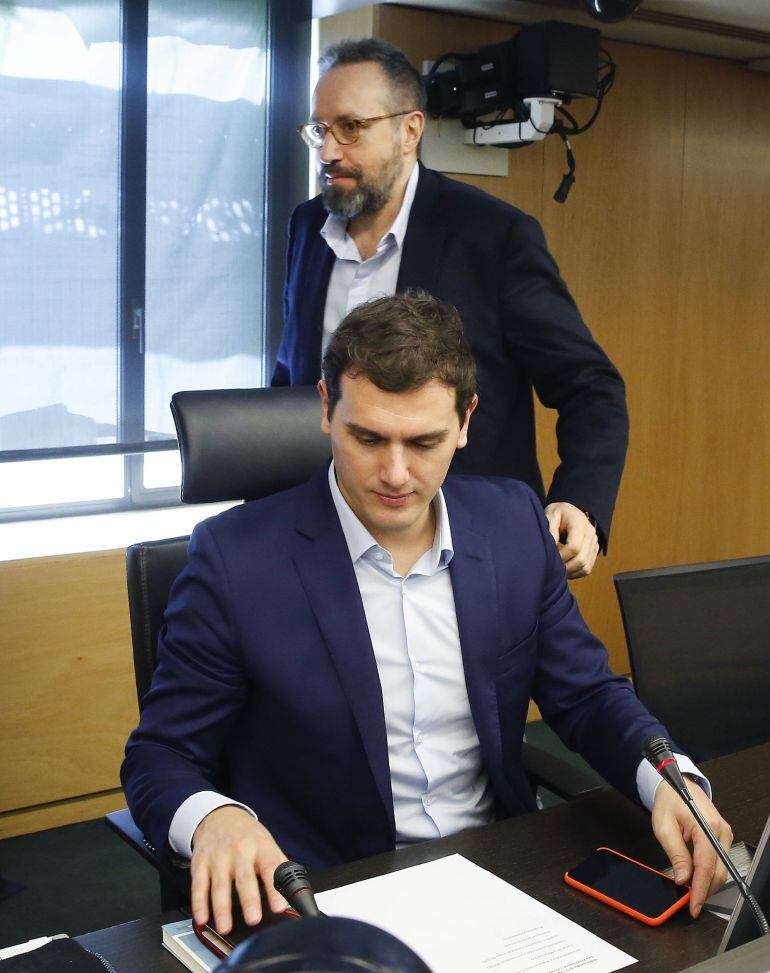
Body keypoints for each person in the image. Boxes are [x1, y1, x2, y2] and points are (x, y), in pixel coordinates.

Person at [122, 292, 731, 941]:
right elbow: (160, 757)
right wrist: (216, 818)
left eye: (424, 441)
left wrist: (673, 779)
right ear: (327, 409)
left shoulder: (512, 523)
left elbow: (585, 694)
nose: (395, 473)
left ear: (466, 421)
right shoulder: (235, 559)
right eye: (368, 437)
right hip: (327, 895)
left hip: (501, 876)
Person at [273, 37, 630, 579]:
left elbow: (591, 386)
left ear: (409, 130)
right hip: (326, 539)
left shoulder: (494, 236)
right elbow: (292, 375)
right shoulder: (306, 227)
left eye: (350, 128)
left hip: (469, 546)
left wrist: (579, 503)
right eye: (319, 130)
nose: (327, 151)